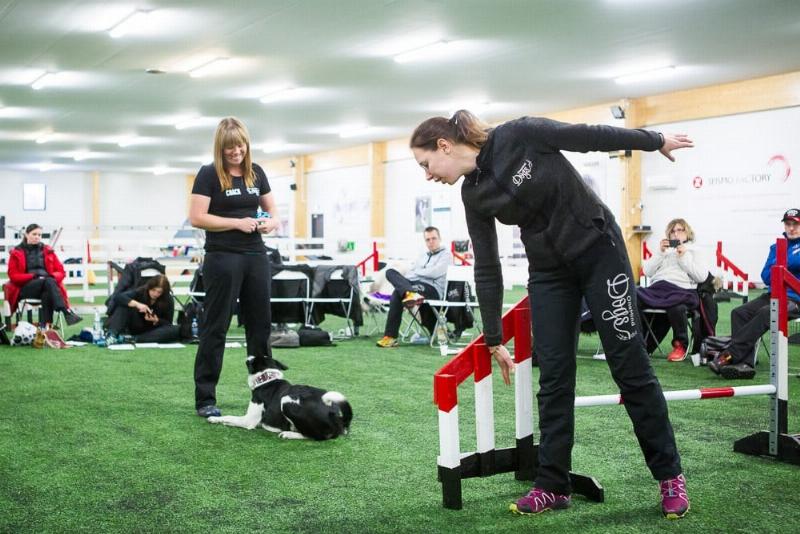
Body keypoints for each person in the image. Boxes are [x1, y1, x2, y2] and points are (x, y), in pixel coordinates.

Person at [410, 110, 693, 519]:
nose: (427, 175)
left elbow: (591, 135)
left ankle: (670, 476)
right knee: (554, 376)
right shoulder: (472, 193)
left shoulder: (519, 135)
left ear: (444, 146)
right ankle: (552, 483)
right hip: (549, 273)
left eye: (425, 164)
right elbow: (486, 266)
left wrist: (655, 138)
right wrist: (493, 337)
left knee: (630, 367)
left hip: (599, 253)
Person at [189, 117, 283, 418]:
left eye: (240, 146)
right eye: (230, 147)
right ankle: (205, 398)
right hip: (222, 256)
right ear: (221, 148)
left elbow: (273, 211)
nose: (236, 152)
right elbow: (198, 217)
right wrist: (236, 223)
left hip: (255, 255)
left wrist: (271, 222)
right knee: (215, 326)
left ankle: (265, 394)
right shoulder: (208, 175)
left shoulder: (256, 173)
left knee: (260, 326)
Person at [709, 209, 800, 379]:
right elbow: (766, 276)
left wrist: (782, 264)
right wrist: (785, 266)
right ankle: (744, 365)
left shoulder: (782, 249)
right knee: (739, 312)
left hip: (796, 299)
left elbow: (791, 264)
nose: (792, 228)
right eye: (788, 224)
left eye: (796, 224)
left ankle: (729, 354)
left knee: (766, 312)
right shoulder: (776, 247)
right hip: (773, 294)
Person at [637, 219, 709, 361]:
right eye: (672, 231)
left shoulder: (695, 250)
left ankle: (680, 345)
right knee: (632, 294)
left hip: (682, 289)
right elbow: (647, 271)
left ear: (687, 233)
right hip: (658, 288)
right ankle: (635, 340)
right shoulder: (664, 251)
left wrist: (683, 256)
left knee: (677, 306)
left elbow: (701, 277)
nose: (675, 234)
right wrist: (660, 252)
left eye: (680, 230)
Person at [375, 226, 452, 348]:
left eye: (434, 238)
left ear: (440, 238)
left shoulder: (447, 255)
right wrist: (418, 273)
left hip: (433, 288)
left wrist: (419, 271)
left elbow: (435, 272)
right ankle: (409, 294)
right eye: (428, 239)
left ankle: (391, 336)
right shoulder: (423, 255)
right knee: (390, 272)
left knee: (397, 293)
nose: (431, 242)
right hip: (415, 285)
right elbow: (411, 273)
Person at [4, 223, 82, 327]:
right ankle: (66, 311)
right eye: (34, 234)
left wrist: (52, 277)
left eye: (39, 235)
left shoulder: (48, 250)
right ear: (26, 235)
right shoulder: (16, 252)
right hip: (26, 287)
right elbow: (13, 276)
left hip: (47, 286)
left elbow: (61, 271)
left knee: (47, 291)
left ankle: (44, 327)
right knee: (49, 282)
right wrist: (32, 276)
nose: (37, 237)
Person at [105, 274, 180, 343]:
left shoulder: (168, 299)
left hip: (154, 330)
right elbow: (118, 297)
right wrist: (137, 304)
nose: (155, 294)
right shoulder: (142, 291)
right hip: (136, 324)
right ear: (149, 287)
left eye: (159, 292)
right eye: (153, 290)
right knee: (124, 304)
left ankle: (133, 339)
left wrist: (157, 320)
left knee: (176, 329)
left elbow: (168, 323)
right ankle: (112, 335)